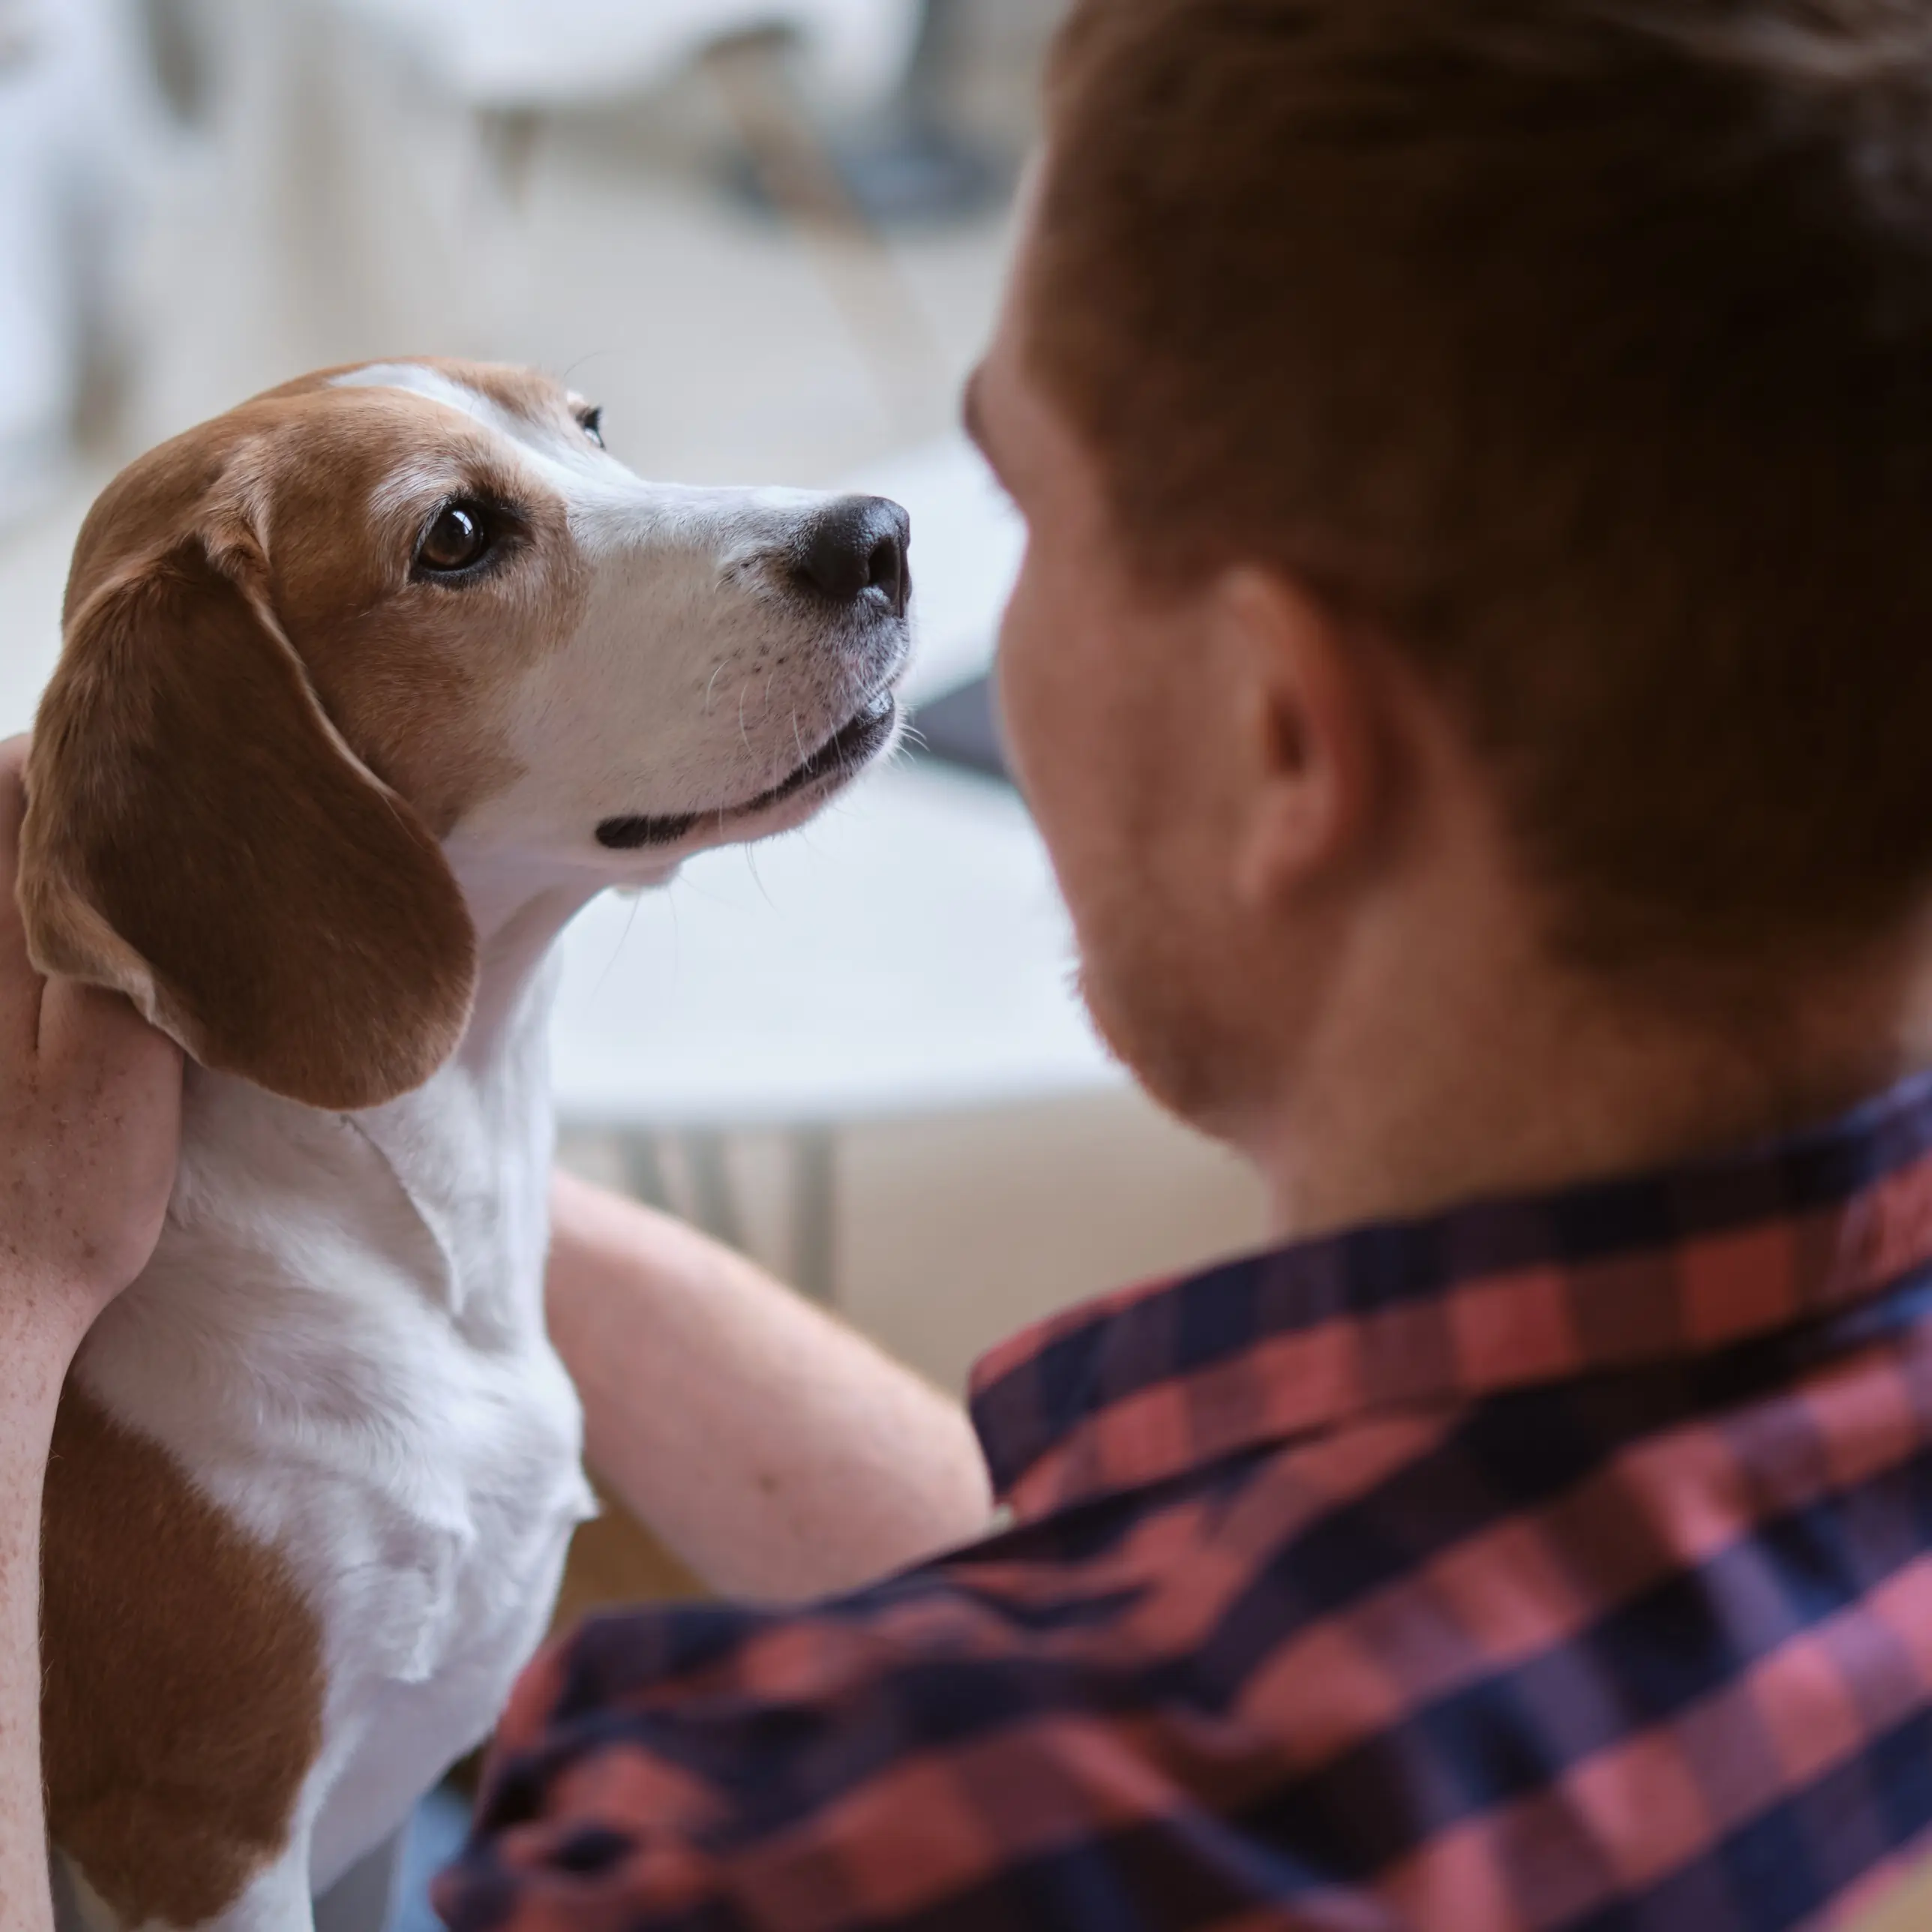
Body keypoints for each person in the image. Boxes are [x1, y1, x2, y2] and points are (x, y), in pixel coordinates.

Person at [13, 0, 1932, 1924]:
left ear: (1280, 730)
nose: (892, 553)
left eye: (1024, 511)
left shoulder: (777, 1841)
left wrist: (26, 1313)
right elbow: (1092, 1574)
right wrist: (378, 1147)